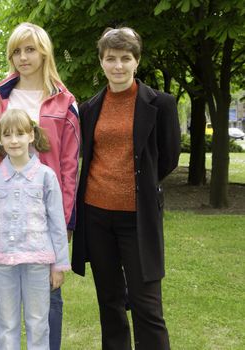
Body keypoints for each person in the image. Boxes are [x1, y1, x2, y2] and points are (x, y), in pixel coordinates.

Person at [72, 27, 181, 350]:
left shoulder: (160, 104)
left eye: (125, 58)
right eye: (110, 59)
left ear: (137, 61)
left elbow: (168, 157)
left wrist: (139, 184)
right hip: (96, 216)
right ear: (101, 62)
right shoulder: (89, 108)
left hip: (138, 218)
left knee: (147, 306)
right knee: (110, 303)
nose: (117, 66)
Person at [0, 22, 80, 350]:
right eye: (16, 51)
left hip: (43, 216)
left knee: (47, 301)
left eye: (30, 50)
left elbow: (68, 166)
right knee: (4, 306)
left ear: (44, 52)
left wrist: (63, 221)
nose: (23, 57)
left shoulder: (65, 101)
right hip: (7, 218)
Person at [0, 109, 70, 350]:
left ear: (31, 136)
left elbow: (57, 223)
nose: (14, 140)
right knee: (7, 324)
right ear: (0, 139)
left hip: (38, 260)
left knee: (38, 323)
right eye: (7, 135)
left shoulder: (46, 177)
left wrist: (59, 265)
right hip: (3, 261)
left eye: (20, 133)